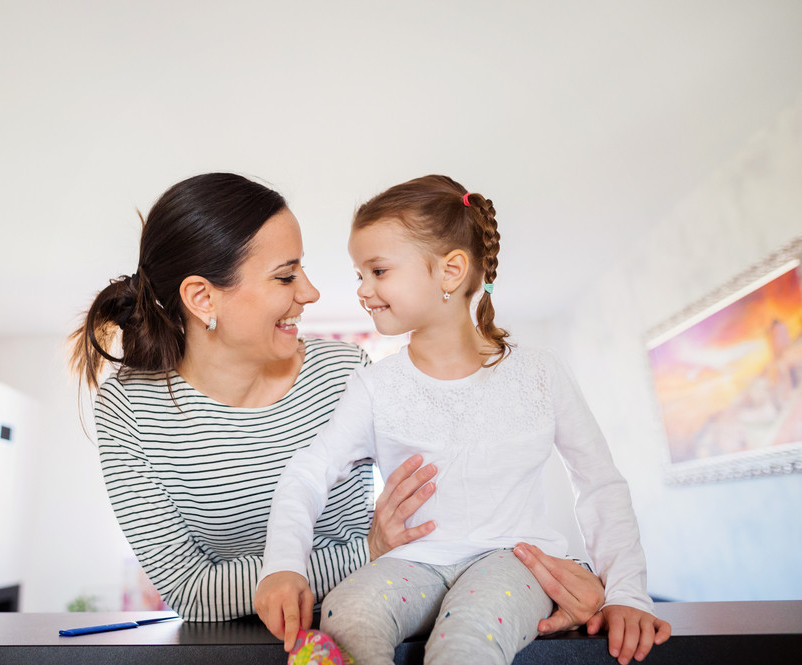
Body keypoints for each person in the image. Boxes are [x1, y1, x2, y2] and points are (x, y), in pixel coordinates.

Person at [70, 172, 607, 628]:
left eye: (301, 268)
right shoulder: (129, 411)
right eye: (286, 275)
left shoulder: (344, 373)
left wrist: (564, 572)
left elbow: (474, 495)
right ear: (202, 297)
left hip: (376, 620)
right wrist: (366, 553)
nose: (311, 292)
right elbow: (190, 591)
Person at [255, 175, 671, 665]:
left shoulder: (540, 373)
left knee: (469, 636)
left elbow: (599, 483)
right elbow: (307, 473)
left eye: (378, 270)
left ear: (451, 271)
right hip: (414, 564)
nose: (363, 290)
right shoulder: (374, 387)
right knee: (345, 614)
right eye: (359, 275)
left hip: (515, 562)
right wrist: (281, 566)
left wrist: (626, 592)